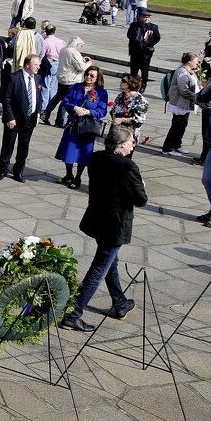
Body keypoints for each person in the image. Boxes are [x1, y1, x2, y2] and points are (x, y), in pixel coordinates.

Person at [61, 127, 148, 332]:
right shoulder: (128, 167)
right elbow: (140, 200)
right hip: (115, 224)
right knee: (100, 267)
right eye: (130, 142)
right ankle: (74, 314)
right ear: (121, 145)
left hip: (98, 219)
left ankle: (119, 303)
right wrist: (140, 185)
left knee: (111, 263)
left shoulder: (97, 158)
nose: (133, 144)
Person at [54, 67, 108, 189]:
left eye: (92, 76)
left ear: (97, 78)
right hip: (73, 123)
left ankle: (78, 177)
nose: (88, 77)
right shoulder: (76, 86)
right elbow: (66, 101)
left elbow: (102, 110)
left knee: (84, 152)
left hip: (87, 126)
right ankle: (69, 174)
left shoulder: (101, 92)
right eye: (87, 74)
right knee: (69, 149)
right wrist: (75, 108)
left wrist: (89, 112)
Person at [0, 55, 43, 183]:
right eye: (36, 64)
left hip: (30, 119)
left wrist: (38, 112)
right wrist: (10, 117)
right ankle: (3, 169)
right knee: (8, 145)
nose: (39, 67)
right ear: (28, 65)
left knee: (24, 146)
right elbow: (7, 99)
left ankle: (18, 171)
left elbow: (39, 97)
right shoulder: (14, 77)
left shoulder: (38, 78)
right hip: (14, 119)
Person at [43, 37, 91, 125]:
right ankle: (59, 121)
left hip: (62, 78)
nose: (81, 48)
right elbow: (81, 67)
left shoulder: (64, 49)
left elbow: (70, 62)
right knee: (66, 100)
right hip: (70, 79)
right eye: (81, 46)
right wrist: (88, 63)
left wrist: (81, 60)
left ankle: (45, 113)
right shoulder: (74, 52)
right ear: (77, 45)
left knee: (57, 97)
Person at [162, 52, 200, 156]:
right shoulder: (182, 72)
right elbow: (183, 90)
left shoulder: (189, 71)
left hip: (186, 104)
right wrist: (196, 97)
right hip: (180, 103)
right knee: (176, 125)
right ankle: (167, 148)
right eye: (195, 60)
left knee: (183, 125)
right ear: (189, 61)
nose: (197, 62)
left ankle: (176, 145)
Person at [126, 11, 161, 87]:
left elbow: (157, 38)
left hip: (145, 53)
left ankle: (143, 85)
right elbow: (129, 35)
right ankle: (133, 85)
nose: (146, 19)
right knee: (133, 71)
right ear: (140, 17)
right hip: (135, 52)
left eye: (148, 17)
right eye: (144, 17)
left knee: (144, 72)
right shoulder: (134, 25)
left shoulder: (153, 27)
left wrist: (150, 44)